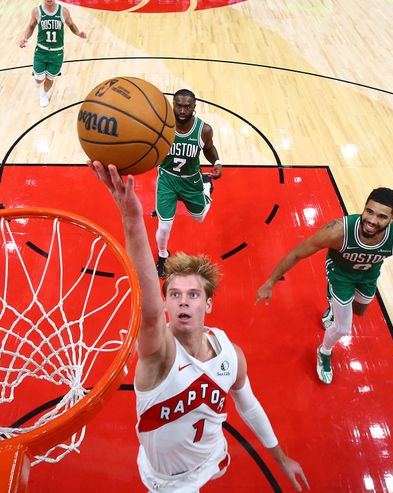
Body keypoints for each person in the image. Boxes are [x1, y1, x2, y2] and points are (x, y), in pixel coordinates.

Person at [89, 160, 309, 492]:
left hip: (212, 457)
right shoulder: (158, 355)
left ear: (208, 304)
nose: (183, 301)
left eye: (193, 294)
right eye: (174, 294)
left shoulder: (230, 354)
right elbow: (148, 315)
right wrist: (132, 221)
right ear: (166, 304)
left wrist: (281, 457)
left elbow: (248, 405)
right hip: (167, 482)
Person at [255, 188, 393, 385]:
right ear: (364, 207)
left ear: (392, 218)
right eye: (369, 211)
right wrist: (271, 281)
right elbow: (297, 253)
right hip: (340, 274)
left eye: (382, 217)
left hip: (368, 275)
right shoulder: (337, 231)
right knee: (343, 328)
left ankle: (333, 308)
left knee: (360, 310)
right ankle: (324, 352)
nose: (372, 221)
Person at [154, 89, 222, 278]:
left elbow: (209, 149)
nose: (182, 110)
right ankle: (162, 256)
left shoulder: (204, 129)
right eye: (178, 105)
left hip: (191, 179)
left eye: (186, 106)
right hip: (167, 178)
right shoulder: (161, 125)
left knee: (199, 218)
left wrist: (216, 162)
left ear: (194, 107)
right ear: (173, 104)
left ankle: (206, 186)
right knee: (164, 225)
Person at [19, 0, 86, 107]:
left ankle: (43, 95)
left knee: (50, 78)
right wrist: (25, 38)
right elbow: (31, 26)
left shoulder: (63, 11)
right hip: (41, 51)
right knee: (39, 79)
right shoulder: (37, 11)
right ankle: (38, 80)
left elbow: (71, 25)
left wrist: (78, 33)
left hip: (57, 52)